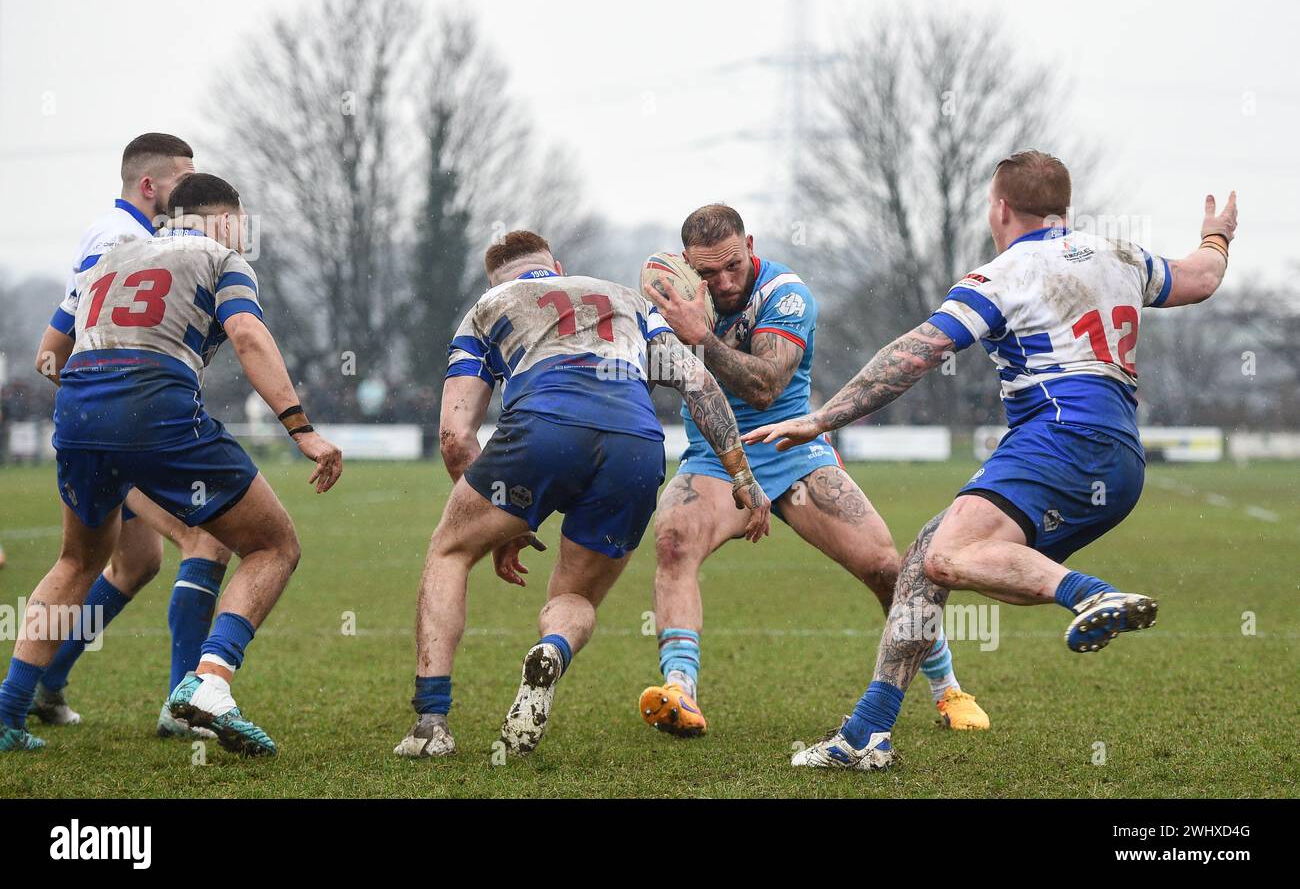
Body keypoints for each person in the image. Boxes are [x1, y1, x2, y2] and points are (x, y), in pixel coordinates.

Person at [745, 151, 1236, 770]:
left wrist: (823, 417)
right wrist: (1219, 234)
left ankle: (1092, 594)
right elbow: (1202, 277)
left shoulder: (1005, 273)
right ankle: (868, 734)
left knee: (950, 556)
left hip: (1057, 439)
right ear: (1064, 207)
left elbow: (916, 353)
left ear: (999, 208)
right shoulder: (1122, 256)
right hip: (1121, 458)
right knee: (930, 558)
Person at [0, 173, 343, 755]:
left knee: (77, 561)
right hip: (156, 406)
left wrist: (98, 405)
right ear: (226, 220)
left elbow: (49, 354)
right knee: (272, 545)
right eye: (241, 222)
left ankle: (9, 711)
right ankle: (210, 682)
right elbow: (247, 335)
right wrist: (300, 430)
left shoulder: (104, 258)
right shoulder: (221, 258)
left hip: (79, 410)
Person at [394, 230, 770, 759]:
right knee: (573, 599)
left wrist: (508, 519)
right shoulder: (628, 300)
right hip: (635, 444)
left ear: (497, 280)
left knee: (450, 550)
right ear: (558, 266)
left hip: (544, 425)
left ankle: (432, 722)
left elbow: (456, 437)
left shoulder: (488, 307)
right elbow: (699, 386)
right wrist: (744, 478)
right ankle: (553, 647)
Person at [639, 204, 987, 736]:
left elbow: (764, 386)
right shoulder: (672, 295)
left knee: (885, 568)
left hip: (793, 447)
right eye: (707, 273)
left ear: (750, 245)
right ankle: (680, 692)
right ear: (688, 265)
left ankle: (949, 690)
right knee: (672, 541)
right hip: (717, 452)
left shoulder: (787, 295)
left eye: (733, 265)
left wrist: (700, 338)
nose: (724, 282)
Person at [30, 133, 235, 739]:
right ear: (151, 186)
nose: (193, 189)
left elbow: (54, 348)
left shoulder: (124, 236)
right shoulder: (126, 241)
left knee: (137, 562)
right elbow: (59, 348)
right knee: (206, 540)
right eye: (185, 177)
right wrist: (104, 402)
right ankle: (181, 706)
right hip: (122, 428)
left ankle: (47, 681)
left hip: (104, 424)